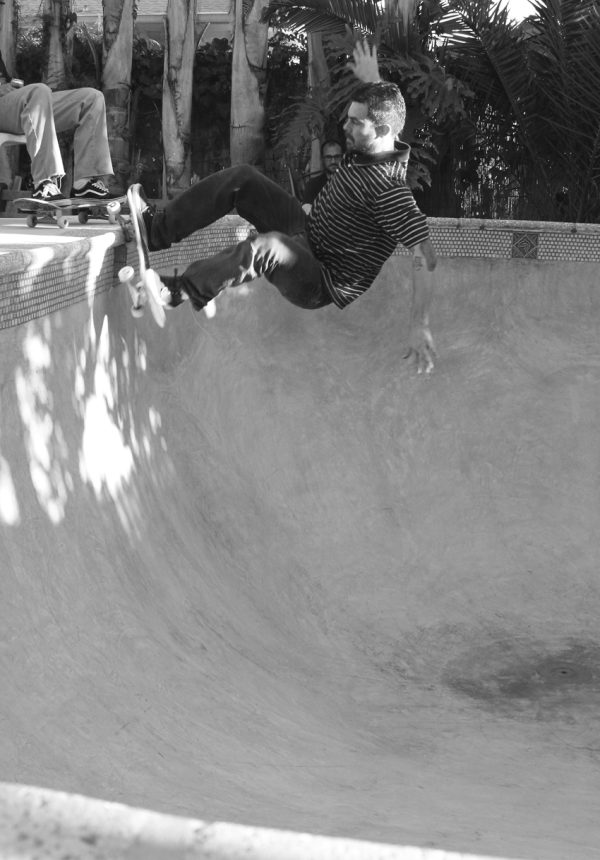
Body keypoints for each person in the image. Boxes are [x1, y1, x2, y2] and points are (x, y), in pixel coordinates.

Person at [128, 40, 437, 374]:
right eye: (347, 119)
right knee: (243, 179)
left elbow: (426, 255)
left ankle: (176, 291)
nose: (345, 128)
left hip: (318, 277)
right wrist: (372, 79)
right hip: (307, 230)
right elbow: (383, 108)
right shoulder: (379, 132)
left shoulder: (390, 191)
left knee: (268, 248)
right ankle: (155, 229)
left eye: (355, 123)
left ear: (383, 131)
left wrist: (420, 324)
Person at [0, 49, 113, 200]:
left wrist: (9, 86)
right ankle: (44, 182)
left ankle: (84, 184)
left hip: (11, 104)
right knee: (39, 90)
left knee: (92, 98)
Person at [301, 139, 343, 209]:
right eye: (329, 157)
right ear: (322, 159)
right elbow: (307, 213)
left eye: (337, 157)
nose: (333, 161)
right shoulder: (312, 185)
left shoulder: (351, 181)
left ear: (342, 157)